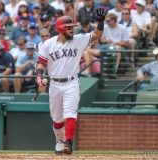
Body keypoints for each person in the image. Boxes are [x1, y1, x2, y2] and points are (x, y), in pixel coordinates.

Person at [36, 9, 107, 154]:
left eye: (72, 27)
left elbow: (97, 34)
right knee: (57, 118)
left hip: (71, 82)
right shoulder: (48, 44)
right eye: (69, 27)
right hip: (55, 84)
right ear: (61, 28)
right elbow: (41, 63)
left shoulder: (78, 40)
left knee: (70, 114)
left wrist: (100, 23)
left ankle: (68, 142)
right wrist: (39, 76)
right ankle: (60, 140)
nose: (72, 30)